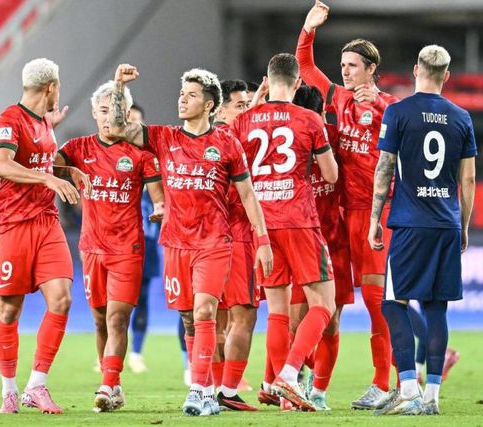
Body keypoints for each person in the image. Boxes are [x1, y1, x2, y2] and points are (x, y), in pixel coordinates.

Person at [107, 63, 273, 416]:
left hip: (214, 242)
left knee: (205, 311)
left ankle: (198, 390)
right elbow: (119, 128)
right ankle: (208, 390)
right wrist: (119, 86)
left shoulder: (226, 143)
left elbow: (247, 195)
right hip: (176, 243)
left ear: (209, 104)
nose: (182, 100)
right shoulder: (165, 137)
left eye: (191, 95)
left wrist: (263, 241)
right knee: (189, 319)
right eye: (182, 93)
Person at [296, 1, 400, 409]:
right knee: (330, 306)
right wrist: (309, 29)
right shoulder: (336, 98)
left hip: (376, 213)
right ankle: (316, 387)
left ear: (372, 69)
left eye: (353, 66)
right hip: (340, 218)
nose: (345, 72)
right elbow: (305, 67)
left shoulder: (391, 106)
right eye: (342, 65)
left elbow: (406, 144)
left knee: (377, 302)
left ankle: (383, 383)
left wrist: (381, 105)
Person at [368, 45, 476, 415]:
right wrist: (463, 226)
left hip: (411, 223)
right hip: (446, 223)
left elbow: (385, 167)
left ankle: (408, 388)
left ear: (416, 70)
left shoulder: (398, 112)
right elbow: (468, 179)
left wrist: (374, 219)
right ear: (447, 75)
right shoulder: (461, 117)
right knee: (435, 308)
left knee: (392, 302)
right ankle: (432, 396)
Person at [232, 53, 338, 411]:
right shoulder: (309, 119)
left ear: (267, 79)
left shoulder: (244, 121)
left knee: (277, 310)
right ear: (298, 83)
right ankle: (290, 375)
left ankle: (281, 395)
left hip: (262, 224)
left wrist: (255, 106)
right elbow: (330, 175)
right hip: (299, 219)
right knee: (324, 304)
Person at [0, 58, 87, 415]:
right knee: (9, 309)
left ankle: (36, 386)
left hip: (45, 222)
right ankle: (9, 391)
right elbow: (1, 164)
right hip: (11, 224)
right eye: (59, 86)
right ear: (51, 87)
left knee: (61, 299)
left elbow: (41, 161)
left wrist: (65, 170)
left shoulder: (44, 121)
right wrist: (48, 178)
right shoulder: (9, 119)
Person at [56, 82, 163, 412]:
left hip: (127, 249)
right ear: (93, 113)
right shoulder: (78, 148)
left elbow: (158, 196)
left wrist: (160, 208)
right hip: (91, 249)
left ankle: (107, 382)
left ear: (126, 115)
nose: (108, 118)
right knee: (100, 320)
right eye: (102, 111)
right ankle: (113, 385)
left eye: (114, 111)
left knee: (117, 319)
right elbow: (46, 165)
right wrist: (64, 165)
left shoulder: (141, 155)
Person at [290, 85, 355, 410]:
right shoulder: (285, 138)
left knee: (330, 321)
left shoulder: (335, 137)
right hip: (297, 237)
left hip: (333, 240)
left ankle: (318, 391)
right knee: (294, 322)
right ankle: (296, 377)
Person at [212, 80, 259, 410]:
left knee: (211, 318)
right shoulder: (235, 141)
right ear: (220, 109)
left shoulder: (201, 139)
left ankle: (209, 388)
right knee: (243, 315)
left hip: (205, 238)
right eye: (241, 106)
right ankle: (227, 390)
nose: (247, 111)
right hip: (237, 236)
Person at [127, 103, 164, 375]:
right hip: (114, 241)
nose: (132, 126)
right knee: (110, 300)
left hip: (147, 241)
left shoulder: (152, 159)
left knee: (141, 297)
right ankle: (107, 353)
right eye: (128, 120)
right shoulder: (109, 157)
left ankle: (136, 353)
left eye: (137, 122)